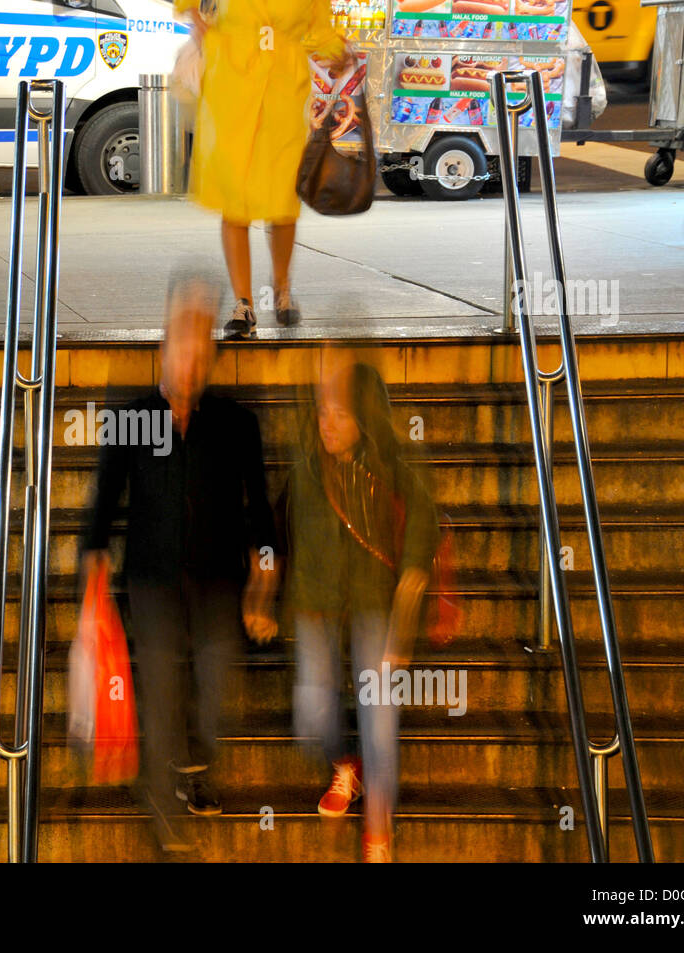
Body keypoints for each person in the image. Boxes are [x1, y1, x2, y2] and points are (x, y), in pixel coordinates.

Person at [81, 273, 276, 851]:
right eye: (180, 351)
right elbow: (104, 500)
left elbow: (260, 509)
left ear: (211, 356)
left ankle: (195, 772)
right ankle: (164, 804)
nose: (189, 366)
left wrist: (265, 571)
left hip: (220, 581)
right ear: (164, 349)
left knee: (213, 693)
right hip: (153, 580)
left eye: (200, 353)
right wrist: (92, 560)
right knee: (163, 689)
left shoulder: (237, 425)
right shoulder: (133, 420)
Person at [275, 359, 439, 862]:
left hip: (375, 605)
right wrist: (268, 594)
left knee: (379, 716)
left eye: (339, 413)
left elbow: (417, 552)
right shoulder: (304, 475)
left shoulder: (395, 476)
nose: (326, 422)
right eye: (322, 411)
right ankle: (345, 762)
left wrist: (402, 631)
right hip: (317, 605)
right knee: (312, 714)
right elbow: (276, 536)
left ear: (366, 419)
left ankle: (378, 823)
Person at [175, 0, 348, 337]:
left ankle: (282, 291)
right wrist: (202, 29)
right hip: (231, 90)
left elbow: (320, 26)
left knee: (283, 197)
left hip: (284, 93)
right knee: (234, 198)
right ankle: (244, 304)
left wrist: (336, 51)